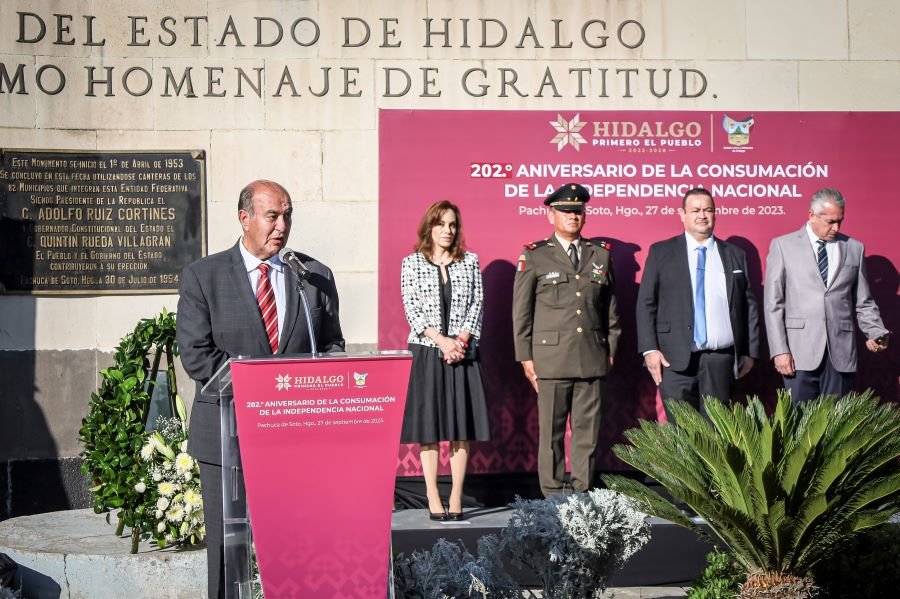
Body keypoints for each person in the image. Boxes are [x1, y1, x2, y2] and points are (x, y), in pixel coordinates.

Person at [177, 179, 345, 598]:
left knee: (297, 547)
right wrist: (264, 395)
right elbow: (197, 355)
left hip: (295, 439)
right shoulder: (203, 276)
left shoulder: (313, 276)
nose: (282, 225)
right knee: (226, 552)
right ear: (244, 218)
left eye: (288, 215)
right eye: (273, 216)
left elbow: (331, 346)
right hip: (224, 439)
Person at [512, 183, 620, 498]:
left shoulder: (599, 255)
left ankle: (583, 490)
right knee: (552, 433)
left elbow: (610, 309)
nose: (573, 217)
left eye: (578, 211)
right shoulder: (535, 256)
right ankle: (554, 495)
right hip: (551, 359)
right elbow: (522, 313)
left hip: (592, 356)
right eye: (566, 211)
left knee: (587, 433)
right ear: (552, 215)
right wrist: (525, 357)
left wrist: (611, 350)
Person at [400, 201, 490, 521]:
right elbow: (413, 309)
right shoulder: (411, 263)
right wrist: (442, 341)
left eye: (453, 225)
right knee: (431, 428)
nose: (448, 231)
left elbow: (477, 304)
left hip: (462, 353)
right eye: (441, 224)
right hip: (426, 351)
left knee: (459, 428)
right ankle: (432, 494)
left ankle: (455, 495)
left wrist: (460, 341)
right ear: (429, 227)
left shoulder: (470, 262)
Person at [636, 187, 759, 419]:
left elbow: (748, 306)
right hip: (674, 360)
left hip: (720, 360)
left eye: (708, 210)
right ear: (682, 214)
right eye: (695, 210)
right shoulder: (661, 252)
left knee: (717, 434)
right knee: (681, 434)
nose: (702, 215)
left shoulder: (735, 254)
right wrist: (650, 349)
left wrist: (750, 352)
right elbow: (646, 303)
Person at [764, 188, 889, 403]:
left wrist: (874, 331)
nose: (836, 228)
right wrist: (779, 351)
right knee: (800, 428)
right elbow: (773, 304)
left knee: (836, 427)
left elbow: (864, 301)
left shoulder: (854, 248)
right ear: (812, 215)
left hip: (840, 354)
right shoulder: (783, 246)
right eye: (830, 221)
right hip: (797, 353)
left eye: (840, 221)